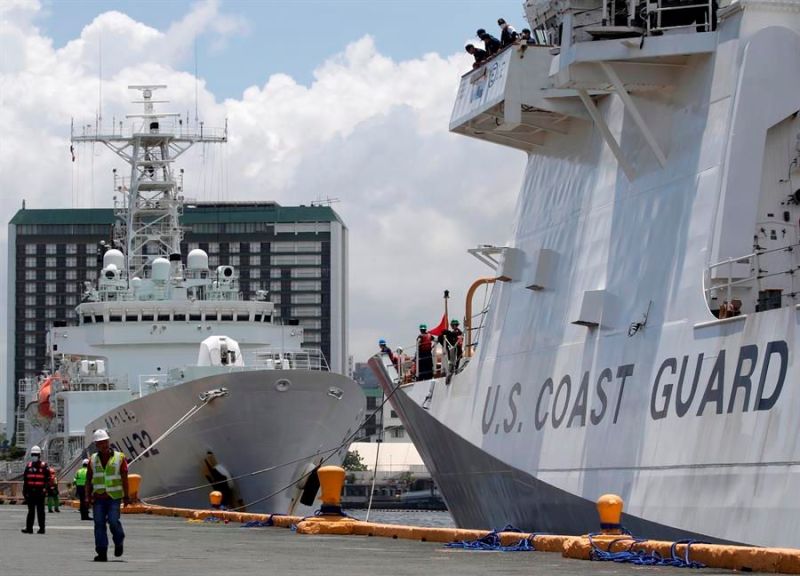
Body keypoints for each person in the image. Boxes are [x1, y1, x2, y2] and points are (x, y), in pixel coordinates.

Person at [87, 429, 130, 562]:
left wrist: (126, 495)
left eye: (105, 442)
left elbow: (124, 478)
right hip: (98, 498)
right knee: (99, 524)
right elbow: (89, 479)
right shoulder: (92, 459)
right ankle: (102, 552)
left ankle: (119, 540)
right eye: (100, 443)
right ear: (96, 445)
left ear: (108, 442)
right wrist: (88, 496)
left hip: (114, 497)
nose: (103, 445)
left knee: (113, 521)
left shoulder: (120, 457)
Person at [21, 445, 48, 534]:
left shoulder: (44, 466)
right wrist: (24, 491)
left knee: (41, 511)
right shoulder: (28, 466)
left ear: (39, 455)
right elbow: (25, 479)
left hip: (40, 492)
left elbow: (48, 479)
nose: (34, 456)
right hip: (30, 492)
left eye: (36, 454)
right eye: (33, 454)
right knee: (31, 511)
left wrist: (45, 489)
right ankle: (29, 528)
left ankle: (42, 528)